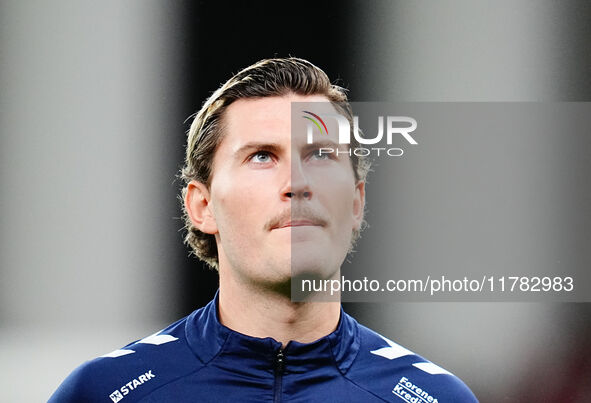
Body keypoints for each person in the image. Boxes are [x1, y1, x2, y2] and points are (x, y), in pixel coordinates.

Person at [49, 57, 478, 402]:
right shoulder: (103, 392)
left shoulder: (436, 397)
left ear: (355, 203)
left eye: (321, 155)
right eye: (262, 156)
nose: (297, 183)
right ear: (202, 206)